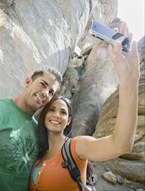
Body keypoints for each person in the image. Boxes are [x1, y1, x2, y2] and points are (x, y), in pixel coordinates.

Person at [29, 23, 140, 191]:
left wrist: (129, 81)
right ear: (43, 115)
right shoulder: (38, 155)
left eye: (63, 112)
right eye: (51, 109)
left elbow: (121, 144)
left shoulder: (76, 147)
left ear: (68, 121)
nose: (56, 115)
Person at [0, 67, 63, 191]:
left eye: (51, 92)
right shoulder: (1, 111)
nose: (45, 93)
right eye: (43, 84)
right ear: (28, 82)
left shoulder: (39, 129)